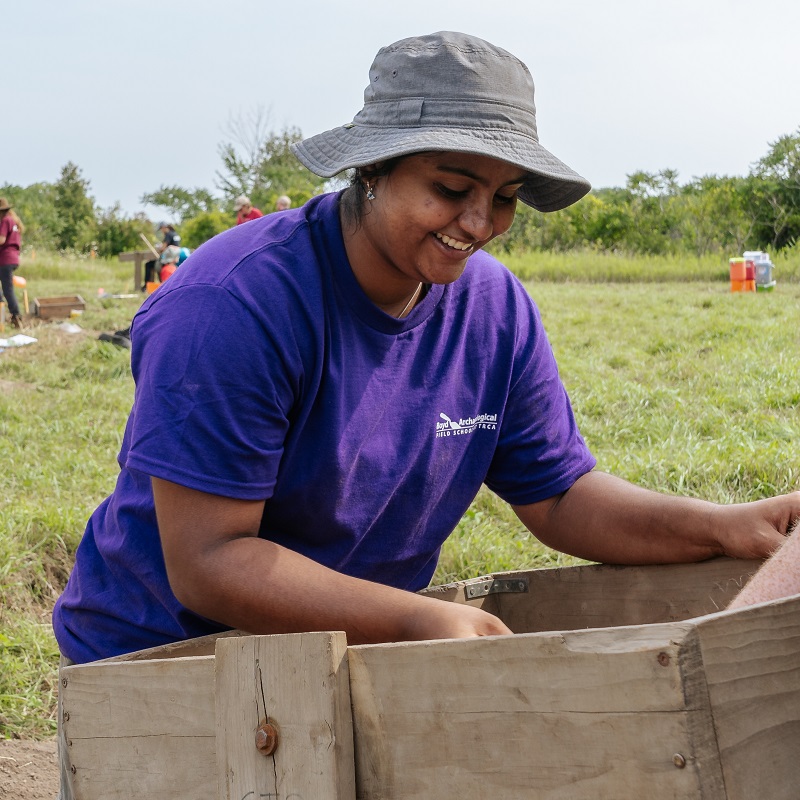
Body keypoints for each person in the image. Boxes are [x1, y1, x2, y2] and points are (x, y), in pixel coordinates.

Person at [54, 29, 800, 667]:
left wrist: (724, 524)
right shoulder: (237, 305)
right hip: (166, 653)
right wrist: (416, 618)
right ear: (372, 170)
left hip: (353, 641)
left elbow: (560, 495)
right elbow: (210, 562)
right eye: (450, 188)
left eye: (505, 197)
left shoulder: (493, 310)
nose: (478, 223)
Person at [0, 198, 24, 329]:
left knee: (7, 290)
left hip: (5, 259)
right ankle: (4, 311)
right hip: (12, 258)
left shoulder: (5, 221)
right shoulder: (12, 221)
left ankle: (16, 316)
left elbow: (1, 240)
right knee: (6, 289)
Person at [142, 222, 181, 290]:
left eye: (161, 229)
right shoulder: (175, 234)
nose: (161, 231)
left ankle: (146, 286)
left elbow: (163, 247)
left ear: (163, 227)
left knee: (149, 265)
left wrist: (159, 248)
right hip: (175, 259)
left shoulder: (168, 234)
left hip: (167, 261)